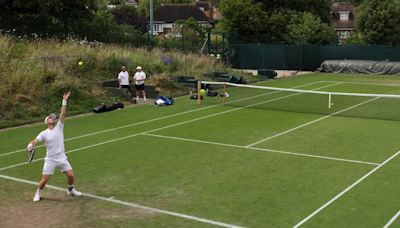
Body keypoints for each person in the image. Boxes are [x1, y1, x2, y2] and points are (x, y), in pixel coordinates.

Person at [27, 92, 82, 202]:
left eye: (53, 117)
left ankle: (70, 190)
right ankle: (38, 192)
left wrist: (64, 100)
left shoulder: (59, 127)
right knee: (45, 179)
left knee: (71, 175)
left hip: (61, 156)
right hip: (50, 159)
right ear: (47, 122)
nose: (53, 118)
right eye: (50, 118)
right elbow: (35, 140)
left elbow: (62, 114)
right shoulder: (43, 133)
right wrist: (30, 145)